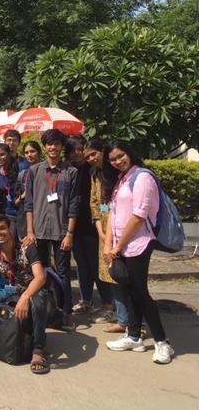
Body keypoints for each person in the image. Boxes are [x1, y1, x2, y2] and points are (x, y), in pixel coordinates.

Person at [102, 140, 174, 363]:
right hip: (122, 246)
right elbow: (113, 212)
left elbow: (139, 216)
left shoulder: (143, 177)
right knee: (130, 289)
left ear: (130, 153)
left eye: (120, 156)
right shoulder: (121, 179)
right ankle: (134, 337)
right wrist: (108, 245)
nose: (117, 161)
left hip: (139, 244)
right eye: (113, 159)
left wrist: (117, 247)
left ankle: (163, 342)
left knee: (140, 293)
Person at [0, 215, 50, 374]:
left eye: (2, 228)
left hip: (36, 292)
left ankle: (39, 351)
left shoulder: (27, 248)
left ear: (10, 229)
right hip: (14, 293)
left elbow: (40, 277)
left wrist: (25, 297)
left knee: (38, 299)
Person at [25, 129, 79, 330]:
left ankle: (66, 312)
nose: (53, 147)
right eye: (49, 144)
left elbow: (73, 205)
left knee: (63, 273)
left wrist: (70, 234)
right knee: (39, 272)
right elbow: (29, 204)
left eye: (57, 143)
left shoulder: (71, 172)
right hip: (38, 231)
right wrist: (30, 231)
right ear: (45, 146)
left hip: (61, 231)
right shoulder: (34, 171)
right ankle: (43, 310)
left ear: (62, 146)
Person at [85, 140, 129, 333]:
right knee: (112, 276)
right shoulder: (95, 174)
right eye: (87, 157)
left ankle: (136, 321)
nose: (91, 159)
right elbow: (95, 203)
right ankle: (123, 319)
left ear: (102, 151)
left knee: (126, 277)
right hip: (104, 231)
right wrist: (101, 231)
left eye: (93, 154)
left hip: (123, 231)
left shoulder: (117, 172)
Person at [66, 135, 113, 317]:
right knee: (82, 265)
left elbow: (101, 201)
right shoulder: (68, 170)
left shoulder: (94, 170)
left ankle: (108, 303)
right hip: (75, 226)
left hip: (94, 226)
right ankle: (86, 301)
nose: (76, 154)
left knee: (97, 265)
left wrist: (104, 216)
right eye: (72, 151)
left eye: (80, 150)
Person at [14, 141, 43, 241]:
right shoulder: (22, 174)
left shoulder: (48, 172)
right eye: (26, 152)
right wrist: (24, 195)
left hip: (43, 219)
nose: (29, 155)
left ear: (39, 152)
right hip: (25, 220)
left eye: (32, 151)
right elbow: (16, 202)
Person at [0, 143, 20, 237]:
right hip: (8, 212)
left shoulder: (19, 168)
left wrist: (21, 198)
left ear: (9, 154)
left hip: (21, 211)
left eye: (2, 154)